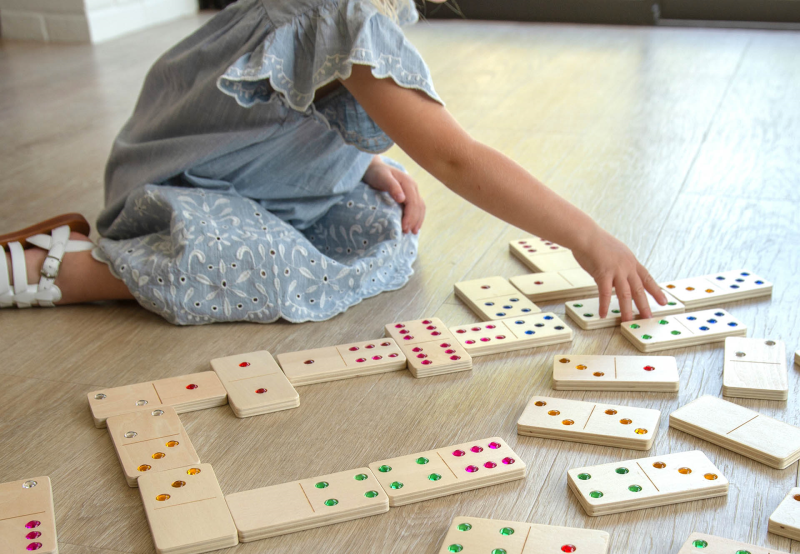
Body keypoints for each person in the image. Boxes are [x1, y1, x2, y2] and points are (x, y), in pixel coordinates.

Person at [0, 0, 666, 322]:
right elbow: (457, 159)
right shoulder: (343, 14)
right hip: (177, 187)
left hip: (233, 164)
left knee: (380, 223)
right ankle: (65, 267)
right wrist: (589, 238)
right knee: (272, 270)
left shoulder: (346, 12)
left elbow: (278, 102)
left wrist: (362, 162)